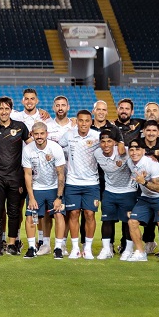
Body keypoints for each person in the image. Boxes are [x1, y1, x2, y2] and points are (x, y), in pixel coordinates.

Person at [0, 96, 30, 255]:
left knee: (13, 212)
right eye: (1, 109)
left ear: (11, 110)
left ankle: (12, 244)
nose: (3, 112)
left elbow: (32, 146)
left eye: (6, 109)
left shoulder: (20, 127)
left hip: (15, 178)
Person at [58, 109, 101, 259]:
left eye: (87, 121)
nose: (83, 123)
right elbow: (58, 147)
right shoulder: (69, 135)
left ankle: (87, 248)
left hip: (92, 182)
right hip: (72, 182)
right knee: (73, 214)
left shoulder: (97, 136)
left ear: (91, 122)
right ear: (76, 121)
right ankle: (75, 248)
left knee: (89, 214)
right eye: (81, 120)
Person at [125, 138, 159, 265]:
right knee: (132, 221)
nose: (134, 152)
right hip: (146, 197)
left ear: (143, 151)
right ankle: (141, 253)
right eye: (131, 149)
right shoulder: (130, 162)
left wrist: (144, 182)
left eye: (137, 149)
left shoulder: (152, 164)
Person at [21, 121, 67, 259]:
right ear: (32, 135)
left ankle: (58, 248)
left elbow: (61, 174)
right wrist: (31, 197)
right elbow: (27, 174)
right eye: (36, 134)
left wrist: (59, 197)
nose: (39, 136)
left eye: (42, 133)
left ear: (46, 134)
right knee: (31, 216)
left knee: (58, 214)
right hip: (36, 189)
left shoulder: (55, 148)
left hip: (53, 188)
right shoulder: (28, 149)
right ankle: (31, 248)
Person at [93, 129, 134, 260]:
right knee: (106, 220)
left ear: (115, 143)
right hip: (110, 191)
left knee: (128, 222)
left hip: (128, 191)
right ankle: (106, 249)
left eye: (109, 141)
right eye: (103, 141)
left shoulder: (125, 151)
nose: (106, 145)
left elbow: (140, 154)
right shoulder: (97, 153)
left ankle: (128, 250)